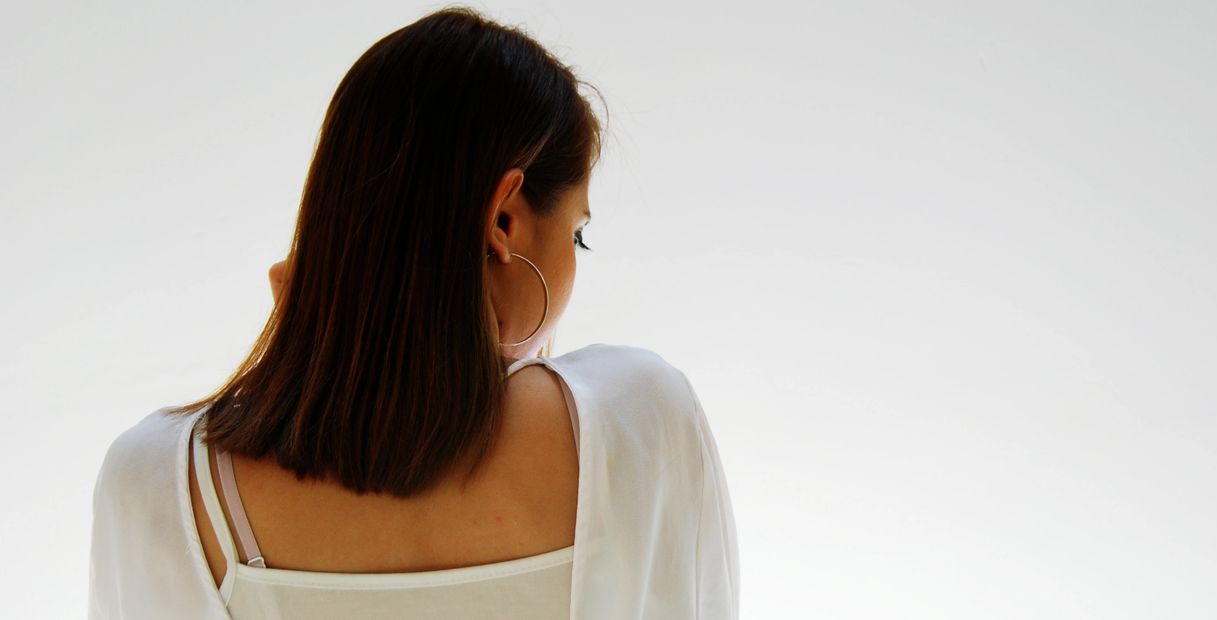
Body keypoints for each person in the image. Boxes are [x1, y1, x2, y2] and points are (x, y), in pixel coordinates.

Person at [87, 6, 738, 619]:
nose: (574, 261)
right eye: (577, 234)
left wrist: (318, 346)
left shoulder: (158, 483)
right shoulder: (638, 421)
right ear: (505, 220)